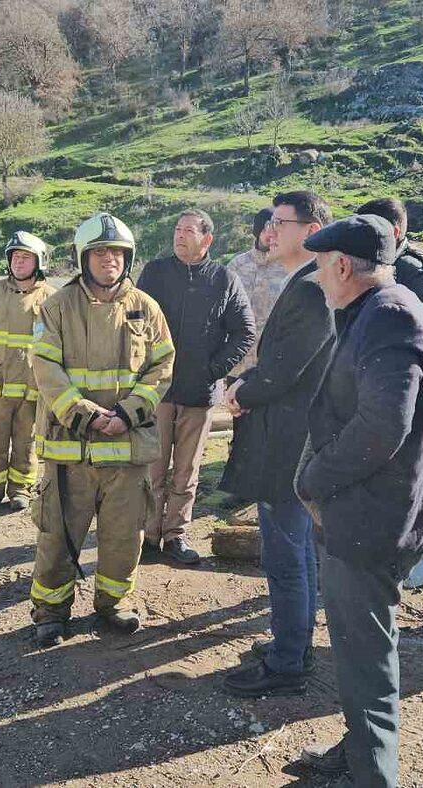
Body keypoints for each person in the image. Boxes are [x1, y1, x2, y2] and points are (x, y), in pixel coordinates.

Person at [293, 215, 423, 787]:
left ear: (341, 265)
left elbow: (383, 426)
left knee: (366, 651)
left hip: (372, 515)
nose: (317, 276)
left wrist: (314, 479)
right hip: (373, 509)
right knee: (360, 647)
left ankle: (372, 772)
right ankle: (361, 746)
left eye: (319, 265)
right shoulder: (387, 306)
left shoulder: (387, 315)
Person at [28, 212, 175, 648]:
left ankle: (114, 604)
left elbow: (162, 366)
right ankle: (50, 611)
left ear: (127, 258)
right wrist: (86, 413)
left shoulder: (146, 308)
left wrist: (127, 413)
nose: (108, 258)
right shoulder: (56, 307)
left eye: (116, 252)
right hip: (70, 448)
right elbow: (45, 368)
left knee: (123, 536)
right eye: (99, 251)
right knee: (57, 534)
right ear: (83, 257)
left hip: (127, 447)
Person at [218, 191, 334, 696]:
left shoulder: (311, 288)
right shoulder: (310, 280)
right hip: (291, 433)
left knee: (286, 554)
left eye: (280, 223)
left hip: (289, 440)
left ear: (310, 230)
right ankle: (294, 643)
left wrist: (245, 389)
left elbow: (289, 368)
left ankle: (288, 661)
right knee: (298, 547)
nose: (270, 231)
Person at [136, 209, 255, 564]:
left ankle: (176, 536)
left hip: (199, 394)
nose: (179, 235)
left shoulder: (223, 279)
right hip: (157, 389)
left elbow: (243, 331)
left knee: (187, 471)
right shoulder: (155, 273)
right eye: (176, 229)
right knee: (152, 466)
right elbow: (133, 320)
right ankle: (147, 535)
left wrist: (213, 371)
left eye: (188, 230)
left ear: (207, 239)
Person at [0, 231, 58, 515]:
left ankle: (20, 491)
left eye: (25, 257)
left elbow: (58, 341)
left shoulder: (52, 298)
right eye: (15, 257)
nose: (18, 262)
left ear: (39, 261)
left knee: (25, 441)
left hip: (32, 388)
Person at [355, 197, 423, 321]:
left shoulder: (415, 272)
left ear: (393, 233)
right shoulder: (364, 260)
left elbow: (422, 329)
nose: (359, 237)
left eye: (366, 230)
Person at [225, 207, 281, 375]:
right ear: (257, 232)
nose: (270, 235)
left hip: (270, 363)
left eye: (275, 230)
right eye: (265, 229)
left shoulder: (287, 266)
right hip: (236, 362)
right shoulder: (237, 265)